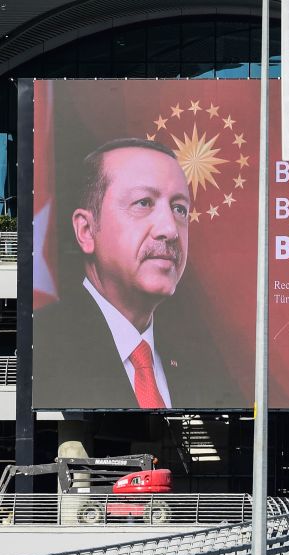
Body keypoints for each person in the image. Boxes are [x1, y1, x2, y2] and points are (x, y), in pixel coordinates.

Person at [33, 138, 202, 409]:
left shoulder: (199, 363)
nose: (170, 229)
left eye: (179, 208)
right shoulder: (42, 348)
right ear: (86, 231)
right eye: (144, 202)